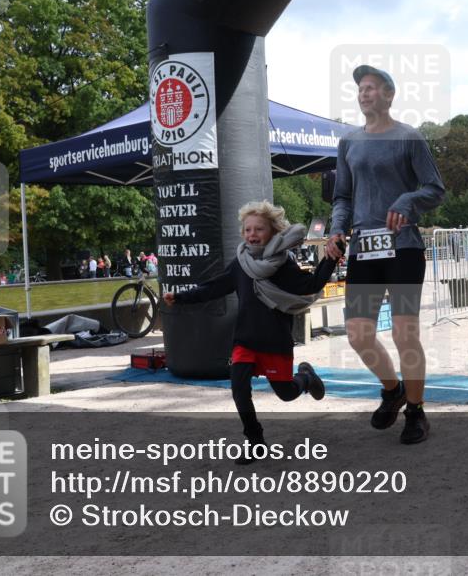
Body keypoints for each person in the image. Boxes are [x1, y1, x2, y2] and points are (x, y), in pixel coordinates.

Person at [163, 201, 336, 464]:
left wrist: (331, 259)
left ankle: (306, 377)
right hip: (245, 339)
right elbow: (214, 287)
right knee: (239, 388)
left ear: (273, 232)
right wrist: (181, 297)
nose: (252, 234)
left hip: (275, 340)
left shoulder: (282, 265)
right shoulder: (240, 264)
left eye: (259, 229)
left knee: (287, 393)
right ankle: (256, 442)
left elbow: (310, 284)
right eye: (247, 230)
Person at [326, 64, 445, 445]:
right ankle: (392, 390)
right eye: (360, 88)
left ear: (389, 95)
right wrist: (336, 229)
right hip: (364, 248)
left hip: (404, 248)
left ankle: (416, 411)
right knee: (359, 335)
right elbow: (342, 196)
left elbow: (435, 189)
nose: (364, 93)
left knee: (403, 332)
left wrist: (407, 200)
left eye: (372, 88)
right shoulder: (349, 142)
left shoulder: (409, 138)